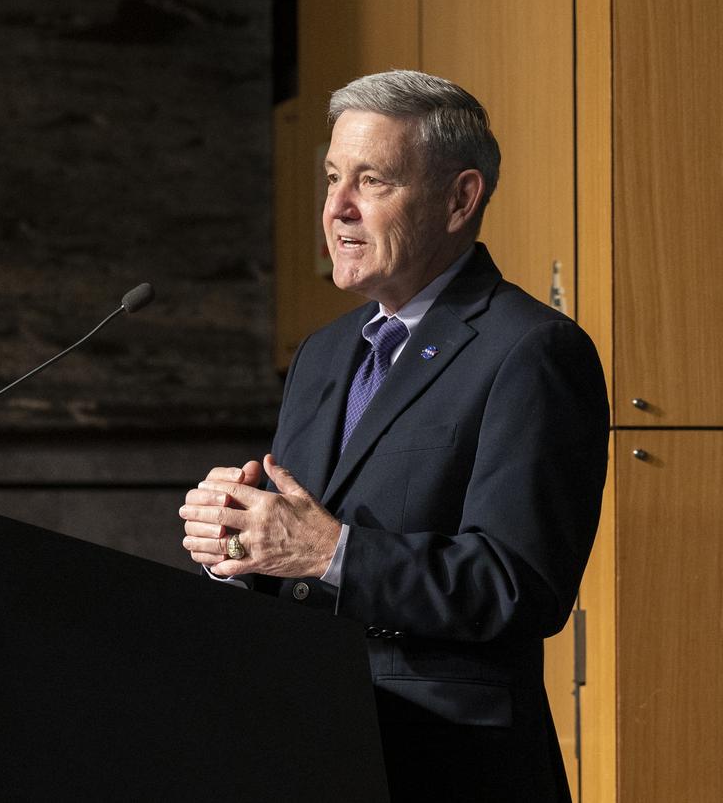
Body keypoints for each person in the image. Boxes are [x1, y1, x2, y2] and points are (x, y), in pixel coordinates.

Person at [179, 70, 609, 802]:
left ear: (460, 198)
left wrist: (330, 550)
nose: (337, 209)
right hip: (311, 740)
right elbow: (300, 550)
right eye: (332, 178)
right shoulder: (322, 352)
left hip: (448, 762)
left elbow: (518, 586)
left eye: (371, 181)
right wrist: (242, 539)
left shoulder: (532, 349)